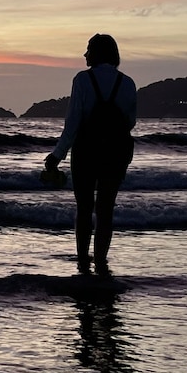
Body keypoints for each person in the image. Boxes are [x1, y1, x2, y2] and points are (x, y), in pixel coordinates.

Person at [45, 34, 137, 275]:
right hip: (116, 153)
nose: (85, 54)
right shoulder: (127, 83)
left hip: (86, 151)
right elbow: (130, 122)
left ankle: (83, 262)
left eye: (88, 50)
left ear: (97, 53)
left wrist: (57, 155)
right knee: (106, 210)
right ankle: (101, 263)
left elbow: (73, 123)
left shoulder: (82, 80)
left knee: (84, 208)